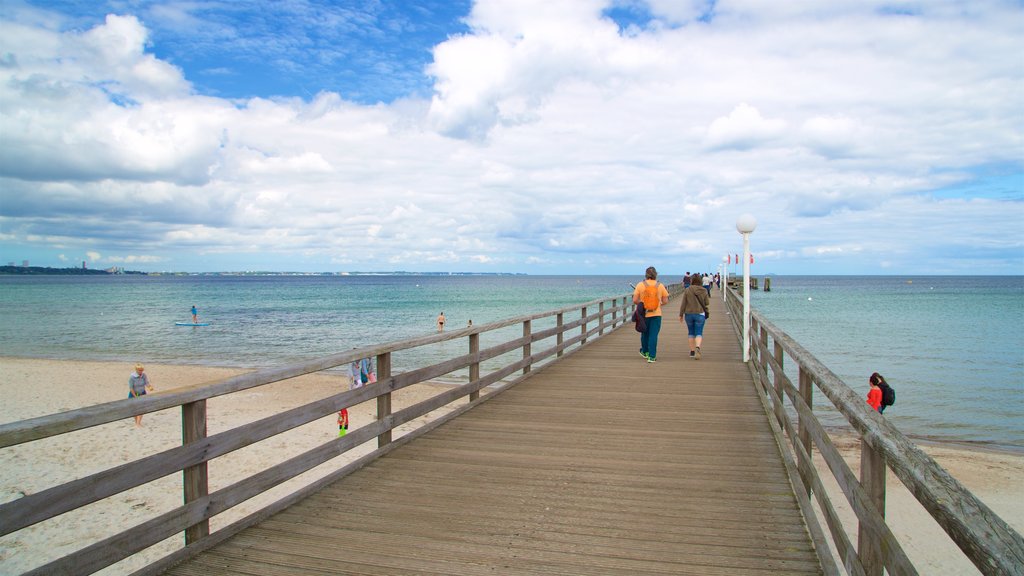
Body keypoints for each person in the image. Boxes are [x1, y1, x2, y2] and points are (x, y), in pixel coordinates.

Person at [633, 266, 669, 363]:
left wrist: (642, 304)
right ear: (655, 274)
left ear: (646, 274)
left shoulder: (640, 285)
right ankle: (652, 357)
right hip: (656, 314)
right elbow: (665, 300)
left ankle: (645, 351)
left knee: (644, 333)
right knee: (653, 335)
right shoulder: (660, 285)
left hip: (644, 314)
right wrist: (659, 302)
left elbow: (635, 300)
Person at [679, 278, 711, 360]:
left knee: (691, 332)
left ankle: (692, 352)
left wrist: (681, 314)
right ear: (700, 281)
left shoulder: (687, 289)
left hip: (688, 314)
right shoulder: (704, 290)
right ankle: (698, 347)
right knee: (699, 332)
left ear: (692, 281)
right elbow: (707, 303)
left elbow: (683, 303)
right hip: (700, 314)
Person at [128, 363, 155, 427]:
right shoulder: (132, 377)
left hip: (142, 393)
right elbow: (131, 388)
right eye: (140, 370)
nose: (141, 371)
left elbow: (146, 383)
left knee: (142, 408)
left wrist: (149, 387)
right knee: (134, 409)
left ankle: (138, 423)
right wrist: (135, 396)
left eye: (142, 370)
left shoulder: (144, 375)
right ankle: (136, 422)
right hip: (134, 394)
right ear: (136, 370)